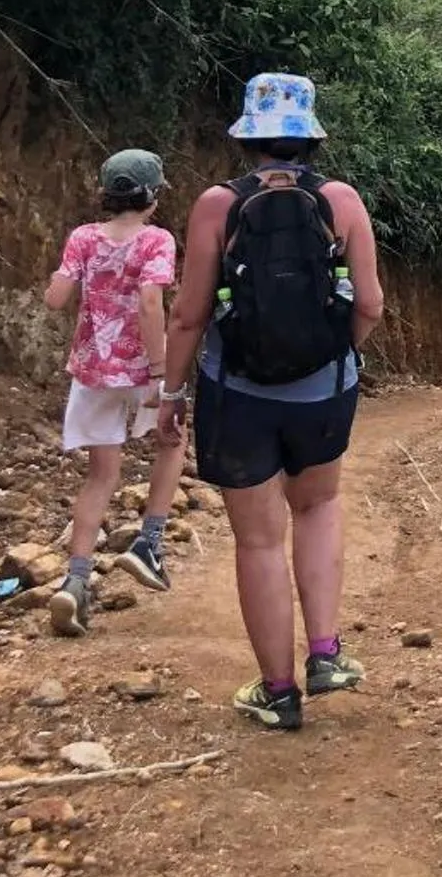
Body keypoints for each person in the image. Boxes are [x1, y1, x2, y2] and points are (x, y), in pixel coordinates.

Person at [157, 74, 383, 732]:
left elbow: (189, 314)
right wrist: (339, 350)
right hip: (323, 392)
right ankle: (326, 654)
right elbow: (369, 303)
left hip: (238, 393)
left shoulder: (215, 206)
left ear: (250, 138)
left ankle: (278, 692)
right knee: (317, 505)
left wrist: (173, 392)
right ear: (310, 134)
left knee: (258, 541)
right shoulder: (340, 201)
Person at [43, 149, 190, 637]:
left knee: (101, 475)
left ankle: (75, 580)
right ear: (151, 197)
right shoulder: (157, 241)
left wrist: (68, 277)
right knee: (172, 441)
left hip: (92, 369)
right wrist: (158, 369)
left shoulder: (83, 237)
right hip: (141, 367)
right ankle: (149, 543)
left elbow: (55, 298)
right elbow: (152, 303)